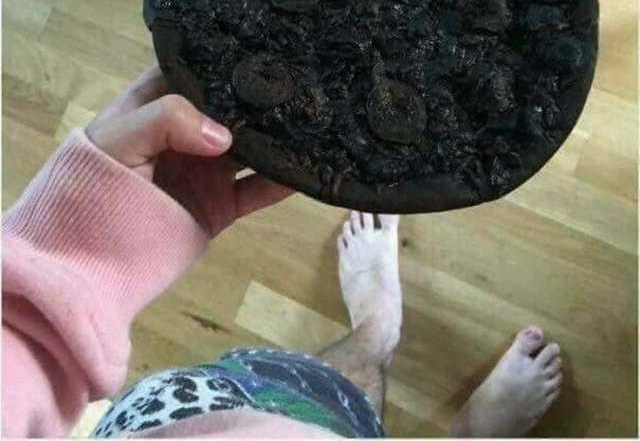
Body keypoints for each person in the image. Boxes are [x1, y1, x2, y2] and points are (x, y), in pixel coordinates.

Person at [3, 66, 563, 438]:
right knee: (338, 395)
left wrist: (76, 262)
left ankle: (375, 331)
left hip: (168, 416)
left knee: (290, 381)